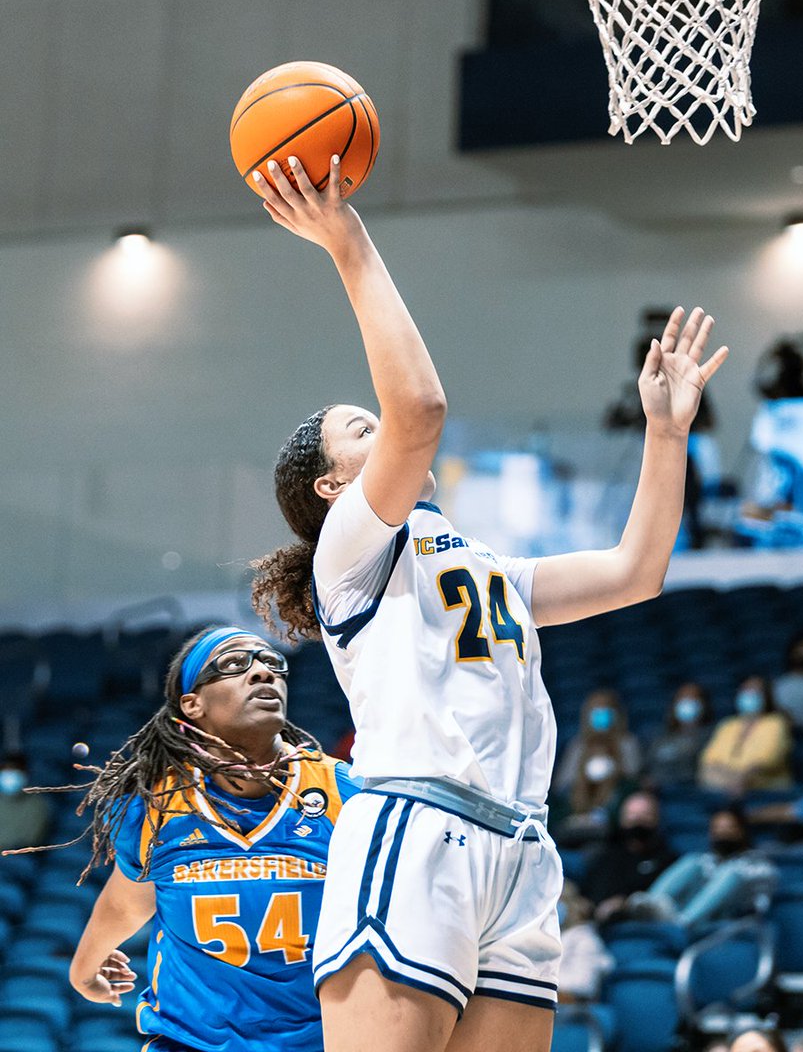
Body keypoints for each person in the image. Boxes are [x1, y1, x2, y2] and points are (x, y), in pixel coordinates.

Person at [249, 155, 728, 1052]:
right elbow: (422, 407)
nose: (385, 427)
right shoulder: (352, 551)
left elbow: (636, 573)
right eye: (363, 427)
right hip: (415, 828)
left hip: (520, 849)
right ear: (328, 490)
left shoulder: (486, 569)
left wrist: (667, 434)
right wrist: (346, 240)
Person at [66, 626, 358, 1052]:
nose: (263, 673)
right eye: (235, 664)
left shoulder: (343, 792)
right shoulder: (158, 806)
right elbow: (127, 903)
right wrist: (84, 972)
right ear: (192, 704)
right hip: (188, 1043)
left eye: (272, 663)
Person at [644, 808, 777, 930]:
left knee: (732, 871)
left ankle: (682, 924)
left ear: (742, 831)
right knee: (692, 861)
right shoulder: (706, 861)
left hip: (735, 921)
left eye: (729, 828)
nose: (722, 833)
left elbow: (760, 904)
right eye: (717, 828)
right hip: (701, 916)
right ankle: (648, 905)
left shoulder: (759, 863)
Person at [581, 790, 677, 923]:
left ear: (656, 820)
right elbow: (588, 893)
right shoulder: (605, 855)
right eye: (632, 816)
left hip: (642, 921)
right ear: (622, 820)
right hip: (595, 923)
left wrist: (623, 903)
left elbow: (660, 899)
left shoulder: (667, 859)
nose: (637, 822)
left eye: (645, 816)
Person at [699, 677, 793, 796]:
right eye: (746, 690)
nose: (749, 694)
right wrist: (732, 780)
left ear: (766, 696)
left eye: (755, 691)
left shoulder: (776, 723)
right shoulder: (728, 724)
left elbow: (768, 759)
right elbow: (708, 759)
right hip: (724, 785)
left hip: (764, 790)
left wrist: (743, 778)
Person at [553, 689, 643, 797]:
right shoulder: (577, 746)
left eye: (606, 710)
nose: (600, 715)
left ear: (616, 714)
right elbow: (562, 784)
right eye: (595, 711)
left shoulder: (628, 743)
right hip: (582, 802)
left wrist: (615, 764)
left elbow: (634, 778)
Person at [645, 682, 713, 788]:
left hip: (691, 790)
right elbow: (649, 767)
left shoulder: (711, 735)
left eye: (692, 699)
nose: (687, 704)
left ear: (703, 704)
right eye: (683, 699)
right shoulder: (660, 736)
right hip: (658, 791)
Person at [556, 882, 614, 1004]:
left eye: (558, 901)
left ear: (571, 905)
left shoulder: (586, 939)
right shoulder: (538, 937)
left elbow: (584, 986)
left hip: (575, 1012)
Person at [0, 749, 51, 852]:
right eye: (6, 770)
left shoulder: (37, 805)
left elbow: (32, 839)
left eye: (15, 771)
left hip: (18, 860)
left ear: (24, 774)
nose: (10, 776)